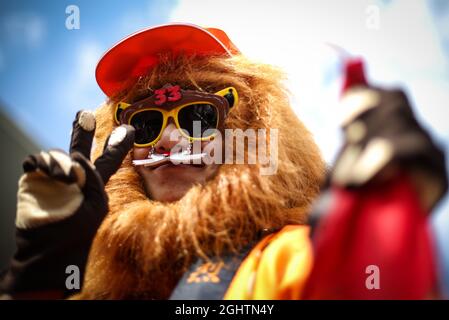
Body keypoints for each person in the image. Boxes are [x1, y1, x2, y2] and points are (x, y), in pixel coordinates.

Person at [0, 23, 446, 300]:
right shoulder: (84, 283)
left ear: (245, 133)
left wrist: (383, 238)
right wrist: (37, 285)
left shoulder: (287, 258)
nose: (170, 137)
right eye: (146, 124)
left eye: (198, 117)